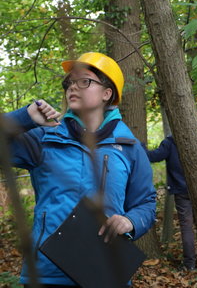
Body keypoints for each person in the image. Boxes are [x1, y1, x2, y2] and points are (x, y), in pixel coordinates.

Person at [5, 52, 157, 287]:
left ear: (107, 94)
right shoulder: (44, 138)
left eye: (84, 81)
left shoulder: (130, 147)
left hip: (105, 271)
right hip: (47, 274)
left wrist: (131, 221)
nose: (73, 87)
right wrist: (25, 118)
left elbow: (146, 202)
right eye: (69, 82)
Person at [144, 135, 197, 271]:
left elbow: (153, 157)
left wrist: (140, 147)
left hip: (182, 190)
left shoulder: (170, 142)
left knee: (187, 227)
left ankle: (189, 264)